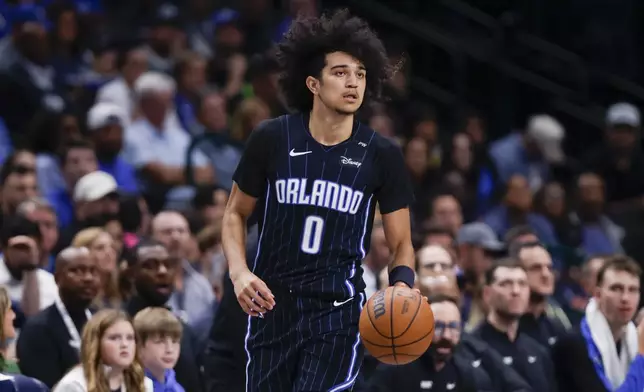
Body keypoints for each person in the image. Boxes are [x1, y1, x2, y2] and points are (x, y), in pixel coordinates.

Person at [222, 9, 416, 391]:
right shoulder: (272, 138)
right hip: (271, 307)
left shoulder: (382, 154)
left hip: (336, 312)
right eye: (340, 72)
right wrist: (239, 272)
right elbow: (234, 213)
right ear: (312, 83)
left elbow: (401, 243)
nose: (353, 83)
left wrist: (403, 285)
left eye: (360, 74)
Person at [553, 255, 641, 392]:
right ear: (598, 295)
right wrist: (641, 355)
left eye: (633, 290)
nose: (625, 298)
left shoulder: (634, 337)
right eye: (616, 289)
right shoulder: (574, 344)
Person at [17, 247, 100, 387]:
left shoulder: (101, 320)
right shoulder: (38, 329)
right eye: (77, 271)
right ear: (57, 278)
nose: (88, 278)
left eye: (93, 271)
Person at [53, 309, 153, 392]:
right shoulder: (74, 385)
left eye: (130, 338)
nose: (124, 344)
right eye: (114, 338)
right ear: (95, 344)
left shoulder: (143, 384)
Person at [133, 307, 185, 392]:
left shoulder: (175, 387)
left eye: (175, 341)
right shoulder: (132, 386)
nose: (170, 349)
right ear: (139, 346)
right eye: (160, 342)